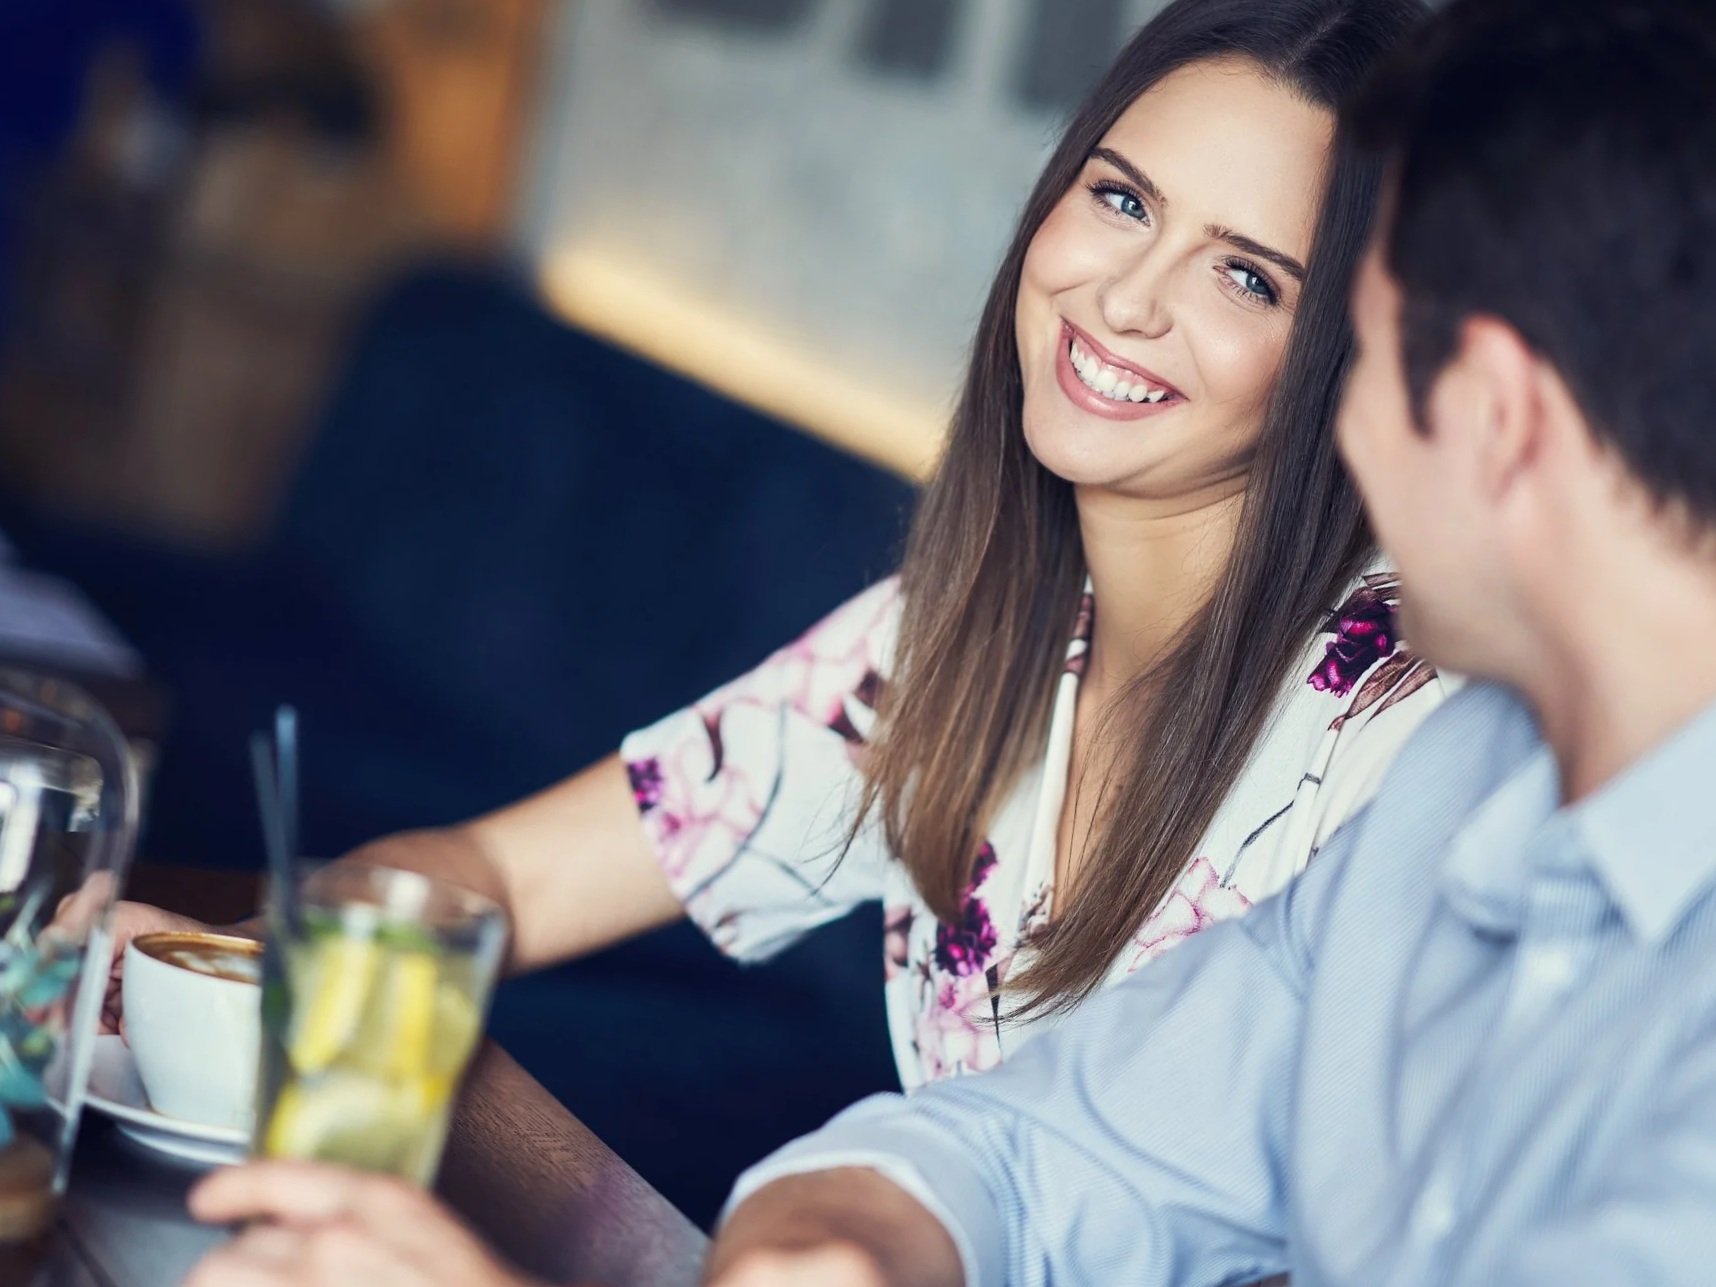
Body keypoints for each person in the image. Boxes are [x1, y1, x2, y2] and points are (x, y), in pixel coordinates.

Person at [172, 0, 1452, 1276]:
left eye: (1246, 275)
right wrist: (211, 988)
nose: (1125, 298)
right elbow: (497, 877)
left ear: (1353, 351)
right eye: (1122, 201)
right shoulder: (954, 641)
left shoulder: (1408, 731)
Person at [642, 0, 1716, 1281]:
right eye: (1121, 202)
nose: (1348, 439)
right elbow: (1049, 1158)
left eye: (1354, 355)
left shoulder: (1406, 728)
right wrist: (838, 1246)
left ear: (1493, 416)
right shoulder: (1467, 787)